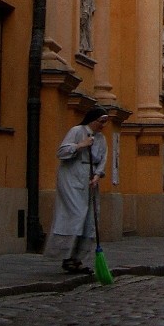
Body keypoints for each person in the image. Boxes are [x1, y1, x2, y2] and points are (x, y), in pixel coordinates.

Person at [44, 106, 109, 274]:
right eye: (101, 122)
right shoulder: (77, 131)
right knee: (76, 215)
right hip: (72, 178)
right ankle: (66, 254)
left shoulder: (101, 139)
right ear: (93, 120)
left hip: (89, 180)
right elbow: (62, 152)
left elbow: (103, 159)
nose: (103, 125)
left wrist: (97, 175)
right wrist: (80, 145)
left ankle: (77, 258)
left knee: (89, 219)